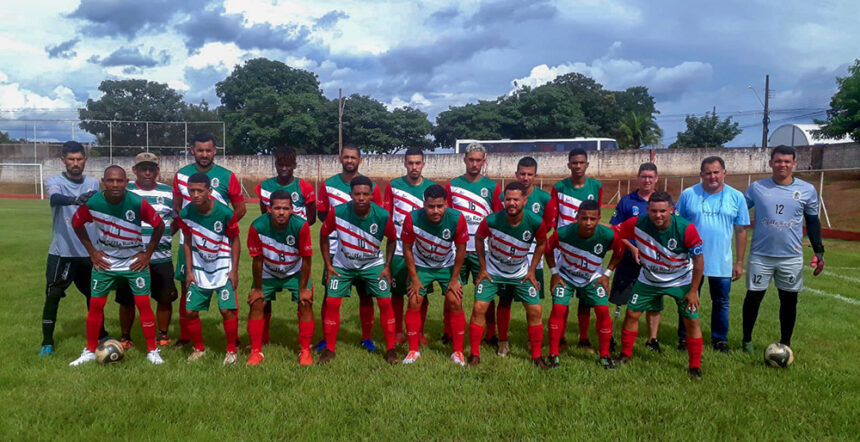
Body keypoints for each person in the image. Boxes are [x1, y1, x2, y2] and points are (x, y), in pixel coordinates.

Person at [68, 166, 165, 366]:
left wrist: (147, 255)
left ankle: (152, 350)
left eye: (119, 181)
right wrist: (93, 253)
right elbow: (76, 223)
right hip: (106, 262)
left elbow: (159, 226)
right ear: (103, 181)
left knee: (143, 304)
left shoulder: (137, 202)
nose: (115, 185)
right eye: (110, 181)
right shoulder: (94, 202)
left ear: (126, 181)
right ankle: (89, 350)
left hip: (133, 262)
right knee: (96, 305)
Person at [741, 145, 825, 352]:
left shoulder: (807, 190)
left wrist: (819, 251)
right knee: (753, 298)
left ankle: (785, 343)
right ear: (770, 163)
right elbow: (739, 211)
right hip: (761, 255)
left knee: (789, 301)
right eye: (778, 161)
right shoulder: (757, 188)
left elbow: (813, 222)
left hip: (791, 257)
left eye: (787, 161)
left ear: (794, 164)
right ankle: (746, 341)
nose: (782, 165)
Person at [614, 191, 705, 378]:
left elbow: (699, 261)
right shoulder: (638, 223)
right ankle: (625, 354)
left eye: (663, 211)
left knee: (692, 320)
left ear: (671, 210)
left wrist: (694, 290)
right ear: (647, 210)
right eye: (654, 211)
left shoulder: (685, 228)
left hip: (680, 279)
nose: (658, 215)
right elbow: (614, 231)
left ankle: (695, 366)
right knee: (631, 313)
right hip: (648, 278)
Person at [172, 134, 246, 349]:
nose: (204, 154)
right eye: (199, 150)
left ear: (215, 151)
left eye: (208, 150)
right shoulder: (181, 175)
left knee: (228, 285)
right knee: (187, 286)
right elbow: (177, 207)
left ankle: (234, 339)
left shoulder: (226, 176)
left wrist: (219, 229)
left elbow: (239, 208)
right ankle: (186, 336)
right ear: (192, 150)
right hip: (191, 244)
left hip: (220, 245)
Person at [318, 176, 398, 365]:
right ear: (350, 194)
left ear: (372, 195)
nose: (361, 198)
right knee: (331, 302)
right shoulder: (337, 212)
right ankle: (329, 350)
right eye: (357, 194)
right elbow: (323, 235)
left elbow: (392, 239)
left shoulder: (382, 215)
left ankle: (391, 350)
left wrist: (387, 266)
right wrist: (329, 265)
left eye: (365, 194)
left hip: (373, 265)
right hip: (343, 265)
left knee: (385, 302)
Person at [469, 182, 548, 369]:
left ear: (525, 201)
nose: (512, 203)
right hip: (493, 271)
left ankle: (537, 356)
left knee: (536, 310)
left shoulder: (535, 221)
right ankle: (474, 354)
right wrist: (483, 267)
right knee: (479, 307)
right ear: (503, 200)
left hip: (520, 272)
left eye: (516, 199)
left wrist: (532, 270)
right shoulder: (492, 220)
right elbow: (478, 239)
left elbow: (542, 242)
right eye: (508, 199)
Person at [675, 156, 749, 352]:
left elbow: (741, 231)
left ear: (724, 173)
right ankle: (685, 337)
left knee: (721, 302)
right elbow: (677, 225)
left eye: (716, 172)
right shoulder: (688, 194)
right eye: (708, 173)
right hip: (690, 261)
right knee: (688, 299)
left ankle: (719, 339)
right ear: (701, 174)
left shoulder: (736, 197)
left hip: (721, 260)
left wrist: (740, 262)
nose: (712, 176)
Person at [40, 141, 106, 356]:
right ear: (63, 160)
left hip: (89, 252)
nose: (75, 163)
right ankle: (47, 342)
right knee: (53, 295)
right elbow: (56, 198)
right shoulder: (54, 181)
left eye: (79, 159)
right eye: (71, 159)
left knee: (94, 296)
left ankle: (101, 334)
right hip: (62, 252)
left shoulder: (94, 183)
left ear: (85, 160)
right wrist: (75, 199)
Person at [316, 144, 383, 352]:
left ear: (360, 160)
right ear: (340, 159)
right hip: (337, 252)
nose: (350, 161)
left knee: (365, 295)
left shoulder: (370, 186)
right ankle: (327, 338)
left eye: (354, 157)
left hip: (365, 254)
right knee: (330, 296)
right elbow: (321, 214)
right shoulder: (328, 185)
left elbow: (379, 215)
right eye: (346, 157)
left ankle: (366, 337)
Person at [544, 200, 624, 369]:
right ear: (577, 217)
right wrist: (554, 273)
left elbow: (619, 252)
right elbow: (548, 249)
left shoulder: (608, 234)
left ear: (599, 218)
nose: (588, 222)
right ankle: (553, 354)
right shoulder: (563, 233)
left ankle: (605, 355)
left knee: (602, 310)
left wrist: (607, 274)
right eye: (584, 218)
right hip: (565, 276)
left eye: (593, 219)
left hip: (593, 278)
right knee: (558, 308)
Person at [253, 145, 316, 348]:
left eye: (289, 164)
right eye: (281, 164)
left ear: (295, 165)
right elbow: (264, 216)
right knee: (265, 298)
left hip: (295, 245)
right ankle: (263, 336)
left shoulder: (304, 187)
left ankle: (303, 343)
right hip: (272, 244)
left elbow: (312, 217)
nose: (284, 168)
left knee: (304, 295)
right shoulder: (265, 186)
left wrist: (295, 230)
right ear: (276, 165)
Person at [177, 173, 242, 365]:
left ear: (209, 191)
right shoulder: (185, 214)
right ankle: (199, 349)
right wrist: (188, 271)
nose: (195, 195)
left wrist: (234, 270)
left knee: (226, 311)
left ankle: (231, 351)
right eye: (191, 191)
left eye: (200, 190)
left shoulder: (225, 213)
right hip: (199, 268)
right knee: (190, 312)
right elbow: (187, 242)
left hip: (222, 267)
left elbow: (235, 240)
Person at [400, 184, 469, 365]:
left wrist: (455, 279)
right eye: (431, 206)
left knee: (455, 300)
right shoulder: (412, 218)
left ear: (446, 204)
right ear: (424, 204)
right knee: (415, 300)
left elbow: (462, 249)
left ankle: (458, 352)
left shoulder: (457, 218)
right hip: (422, 265)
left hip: (446, 265)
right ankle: (413, 350)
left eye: (440, 206)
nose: (436, 210)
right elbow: (406, 248)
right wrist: (414, 278)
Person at [543, 148, 603, 354]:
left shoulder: (596, 186)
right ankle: (559, 337)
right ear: (568, 165)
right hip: (564, 247)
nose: (577, 166)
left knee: (586, 296)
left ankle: (584, 339)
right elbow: (554, 217)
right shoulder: (559, 187)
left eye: (581, 162)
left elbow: (598, 215)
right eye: (574, 163)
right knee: (563, 294)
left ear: (587, 164)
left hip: (588, 247)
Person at [116, 153, 177, 349]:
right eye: (143, 168)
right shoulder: (126, 192)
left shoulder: (168, 192)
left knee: (165, 298)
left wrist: (166, 235)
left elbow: (178, 218)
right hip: (130, 258)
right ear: (135, 171)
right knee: (127, 300)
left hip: (161, 257)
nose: (148, 172)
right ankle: (126, 336)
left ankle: (163, 334)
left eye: (152, 168)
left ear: (157, 171)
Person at [246, 190, 314, 366]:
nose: (281, 212)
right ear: (269, 209)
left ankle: (305, 350)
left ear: (292, 209)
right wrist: (258, 289)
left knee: (306, 302)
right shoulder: (257, 226)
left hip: (295, 271)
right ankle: (256, 351)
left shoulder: (301, 226)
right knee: (257, 302)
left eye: (285, 208)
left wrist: (304, 288)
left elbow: (307, 259)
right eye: (277, 208)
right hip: (269, 270)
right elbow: (257, 260)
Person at [446, 143, 503, 346]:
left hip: (484, 251)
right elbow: (448, 217)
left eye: (478, 160)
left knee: (487, 295)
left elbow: (497, 219)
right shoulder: (452, 185)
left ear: (484, 160)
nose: (474, 164)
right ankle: (450, 331)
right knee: (453, 292)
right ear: (464, 159)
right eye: (471, 159)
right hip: (458, 250)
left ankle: (491, 334)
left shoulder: (492, 187)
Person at [495, 156, 550, 357]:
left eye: (529, 174)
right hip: (506, 257)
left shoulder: (544, 198)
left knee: (532, 301)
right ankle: (502, 341)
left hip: (533, 256)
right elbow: (498, 222)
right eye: (522, 174)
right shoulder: (505, 196)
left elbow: (547, 226)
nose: (525, 177)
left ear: (535, 175)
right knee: (504, 300)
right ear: (516, 174)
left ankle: (532, 341)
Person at [383, 147, 436, 347]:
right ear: (405, 164)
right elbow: (387, 216)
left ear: (423, 164)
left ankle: (420, 332)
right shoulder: (393, 186)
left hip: (423, 252)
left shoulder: (431, 187)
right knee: (396, 293)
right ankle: (398, 331)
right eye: (410, 163)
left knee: (421, 293)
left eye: (418, 163)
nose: (414, 167)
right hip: (398, 250)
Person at [608, 163, 663, 352]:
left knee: (654, 300)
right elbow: (616, 231)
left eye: (650, 177)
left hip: (653, 261)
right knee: (620, 299)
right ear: (638, 178)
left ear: (656, 179)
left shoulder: (662, 202)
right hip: (628, 257)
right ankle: (613, 337)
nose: (647, 180)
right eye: (643, 176)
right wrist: (632, 248)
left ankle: (652, 340)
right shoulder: (626, 201)